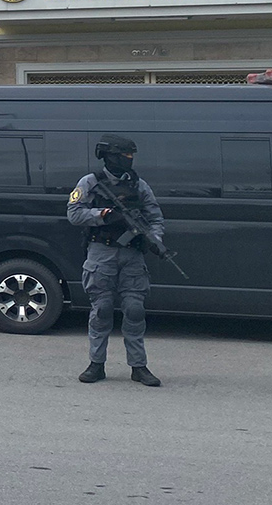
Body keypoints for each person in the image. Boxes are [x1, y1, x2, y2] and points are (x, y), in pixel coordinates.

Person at [67, 133, 165, 387]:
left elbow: (155, 217)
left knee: (134, 310)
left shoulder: (139, 185)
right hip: (102, 252)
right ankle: (96, 364)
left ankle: (138, 366)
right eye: (125, 156)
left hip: (132, 254)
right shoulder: (90, 182)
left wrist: (154, 239)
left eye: (131, 156)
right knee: (102, 310)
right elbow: (74, 214)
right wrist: (104, 214)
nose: (129, 161)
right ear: (110, 157)